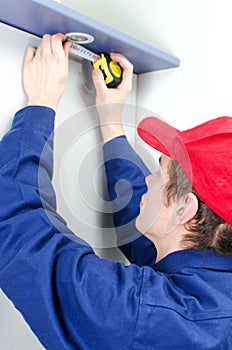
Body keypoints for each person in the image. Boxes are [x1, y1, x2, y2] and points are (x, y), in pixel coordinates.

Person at [0, 33, 232, 350]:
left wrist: (41, 102)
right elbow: (142, 213)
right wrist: (111, 123)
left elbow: (16, 227)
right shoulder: (212, 288)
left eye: (159, 173)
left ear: (185, 211)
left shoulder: (143, 315)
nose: (148, 180)